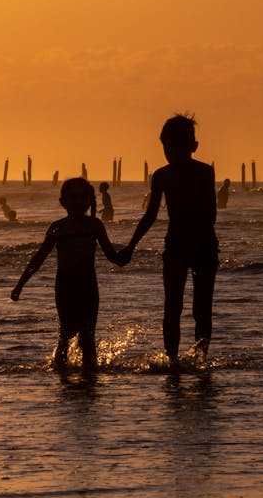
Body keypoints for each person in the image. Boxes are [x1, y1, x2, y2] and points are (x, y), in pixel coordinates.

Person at [119, 113, 217, 371]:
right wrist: (131, 245)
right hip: (175, 246)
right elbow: (151, 215)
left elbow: (210, 214)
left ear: (193, 147)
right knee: (172, 306)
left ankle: (200, 360)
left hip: (204, 246)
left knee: (201, 309)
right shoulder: (162, 176)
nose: (171, 153)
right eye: (166, 148)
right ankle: (171, 360)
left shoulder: (204, 173)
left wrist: (196, 242)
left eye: (176, 148)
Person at [11, 177, 121, 373]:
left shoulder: (95, 226)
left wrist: (128, 253)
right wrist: (20, 285)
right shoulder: (58, 227)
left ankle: (90, 375)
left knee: (87, 335)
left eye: (82, 198)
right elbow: (39, 258)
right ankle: (60, 373)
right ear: (63, 202)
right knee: (66, 334)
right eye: (73, 197)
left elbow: (113, 257)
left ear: (89, 201)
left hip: (88, 286)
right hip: (65, 287)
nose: (78, 202)